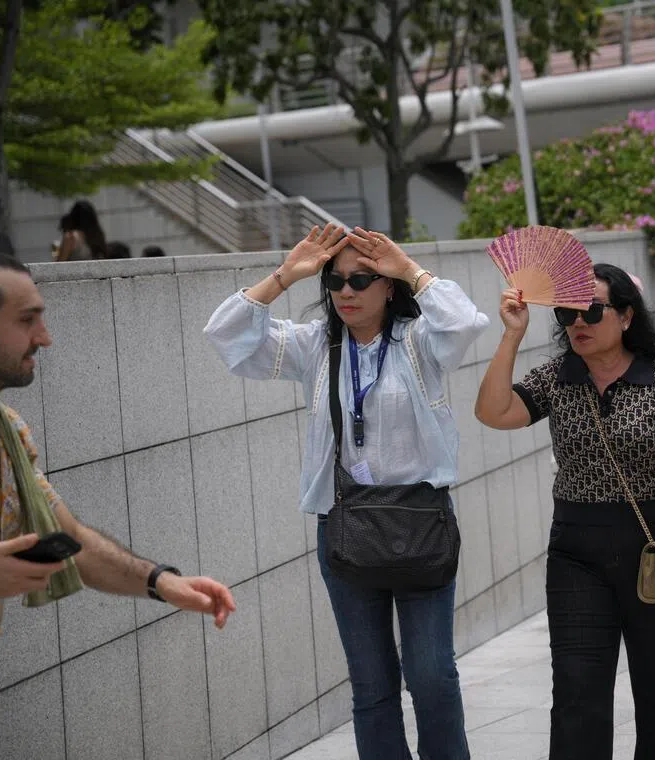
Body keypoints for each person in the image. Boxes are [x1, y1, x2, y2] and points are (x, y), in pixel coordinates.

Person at [0, 250, 236, 760]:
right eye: (27, 320)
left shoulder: (5, 430)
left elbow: (69, 537)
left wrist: (162, 581)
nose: (45, 337)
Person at [204, 224, 488, 760]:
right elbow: (226, 335)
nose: (348, 291)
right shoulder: (316, 346)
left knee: (430, 675)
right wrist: (288, 275)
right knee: (372, 684)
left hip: (420, 523)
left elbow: (465, 322)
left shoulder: (418, 341)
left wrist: (409, 268)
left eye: (363, 278)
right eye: (336, 281)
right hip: (345, 528)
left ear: (387, 287)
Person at [475, 262, 655, 760]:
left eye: (591, 311)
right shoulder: (558, 378)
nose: (577, 322)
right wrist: (511, 336)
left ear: (625, 317)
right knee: (578, 687)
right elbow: (494, 413)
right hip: (577, 549)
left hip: (654, 542)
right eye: (566, 313)